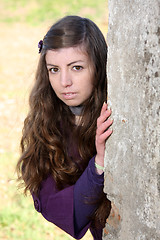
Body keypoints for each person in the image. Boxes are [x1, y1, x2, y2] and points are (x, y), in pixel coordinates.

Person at [16, 15, 113, 240]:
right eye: (54, 70)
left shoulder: (121, 111)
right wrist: (100, 161)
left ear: (98, 66)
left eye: (76, 67)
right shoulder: (50, 124)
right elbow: (66, 211)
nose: (64, 82)